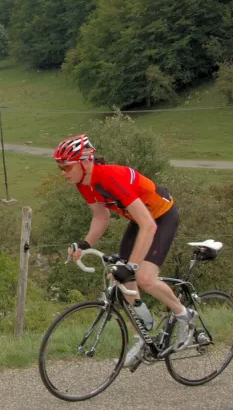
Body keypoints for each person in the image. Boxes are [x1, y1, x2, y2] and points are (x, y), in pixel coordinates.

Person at [54, 133, 196, 367]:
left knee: (143, 278)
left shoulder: (110, 177)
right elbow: (101, 217)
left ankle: (184, 315)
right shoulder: (84, 184)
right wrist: (85, 244)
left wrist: (132, 265)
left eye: (66, 167)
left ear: (86, 161)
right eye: (60, 167)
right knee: (125, 282)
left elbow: (149, 225)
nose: (63, 173)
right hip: (140, 221)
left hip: (160, 218)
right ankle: (143, 337)